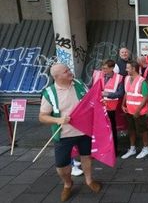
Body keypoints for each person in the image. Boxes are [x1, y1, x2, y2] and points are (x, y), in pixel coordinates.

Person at [39, 63, 101, 202]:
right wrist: (59, 120)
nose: (70, 72)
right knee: (61, 166)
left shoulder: (78, 83)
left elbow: (89, 100)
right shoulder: (49, 92)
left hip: (84, 130)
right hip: (64, 134)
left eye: (68, 69)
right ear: (57, 77)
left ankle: (89, 180)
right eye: (66, 71)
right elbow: (42, 116)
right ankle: (68, 184)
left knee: (87, 157)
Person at [92, 60, 124, 156]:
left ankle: (113, 150)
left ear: (112, 68)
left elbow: (120, 93)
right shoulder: (98, 74)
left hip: (111, 108)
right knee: (100, 129)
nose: (103, 70)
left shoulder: (119, 78)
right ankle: (102, 148)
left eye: (105, 68)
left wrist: (107, 94)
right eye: (102, 68)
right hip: (99, 106)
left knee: (111, 129)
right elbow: (92, 88)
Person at [121, 60, 148, 159]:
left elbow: (146, 97)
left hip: (140, 112)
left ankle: (146, 148)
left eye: (128, 68)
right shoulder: (126, 78)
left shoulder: (142, 81)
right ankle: (132, 148)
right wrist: (123, 105)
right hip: (129, 110)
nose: (126, 69)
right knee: (131, 130)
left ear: (133, 69)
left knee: (143, 130)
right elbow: (126, 93)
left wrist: (138, 110)